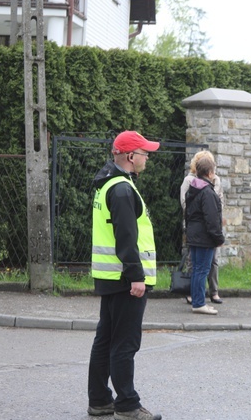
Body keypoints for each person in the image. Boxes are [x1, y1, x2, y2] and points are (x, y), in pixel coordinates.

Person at [88, 131, 162, 420]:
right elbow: (126, 237)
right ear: (131, 157)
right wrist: (136, 276)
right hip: (124, 279)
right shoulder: (121, 188)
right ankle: (128, 405)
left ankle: (100, 400)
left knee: (105, 339)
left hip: (111, 277)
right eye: (144, 153)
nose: (147, 158)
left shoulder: (109, 183)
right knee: (125, 343)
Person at [180, 150, 225, 305]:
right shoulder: (208, 192)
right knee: (202, 270)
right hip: (205, 237)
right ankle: (199, 303)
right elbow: (212, 219)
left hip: (194, 234)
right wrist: (219, 238)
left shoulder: (194, 188)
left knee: (197, 270)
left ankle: (196, 300)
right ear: (210, 173)